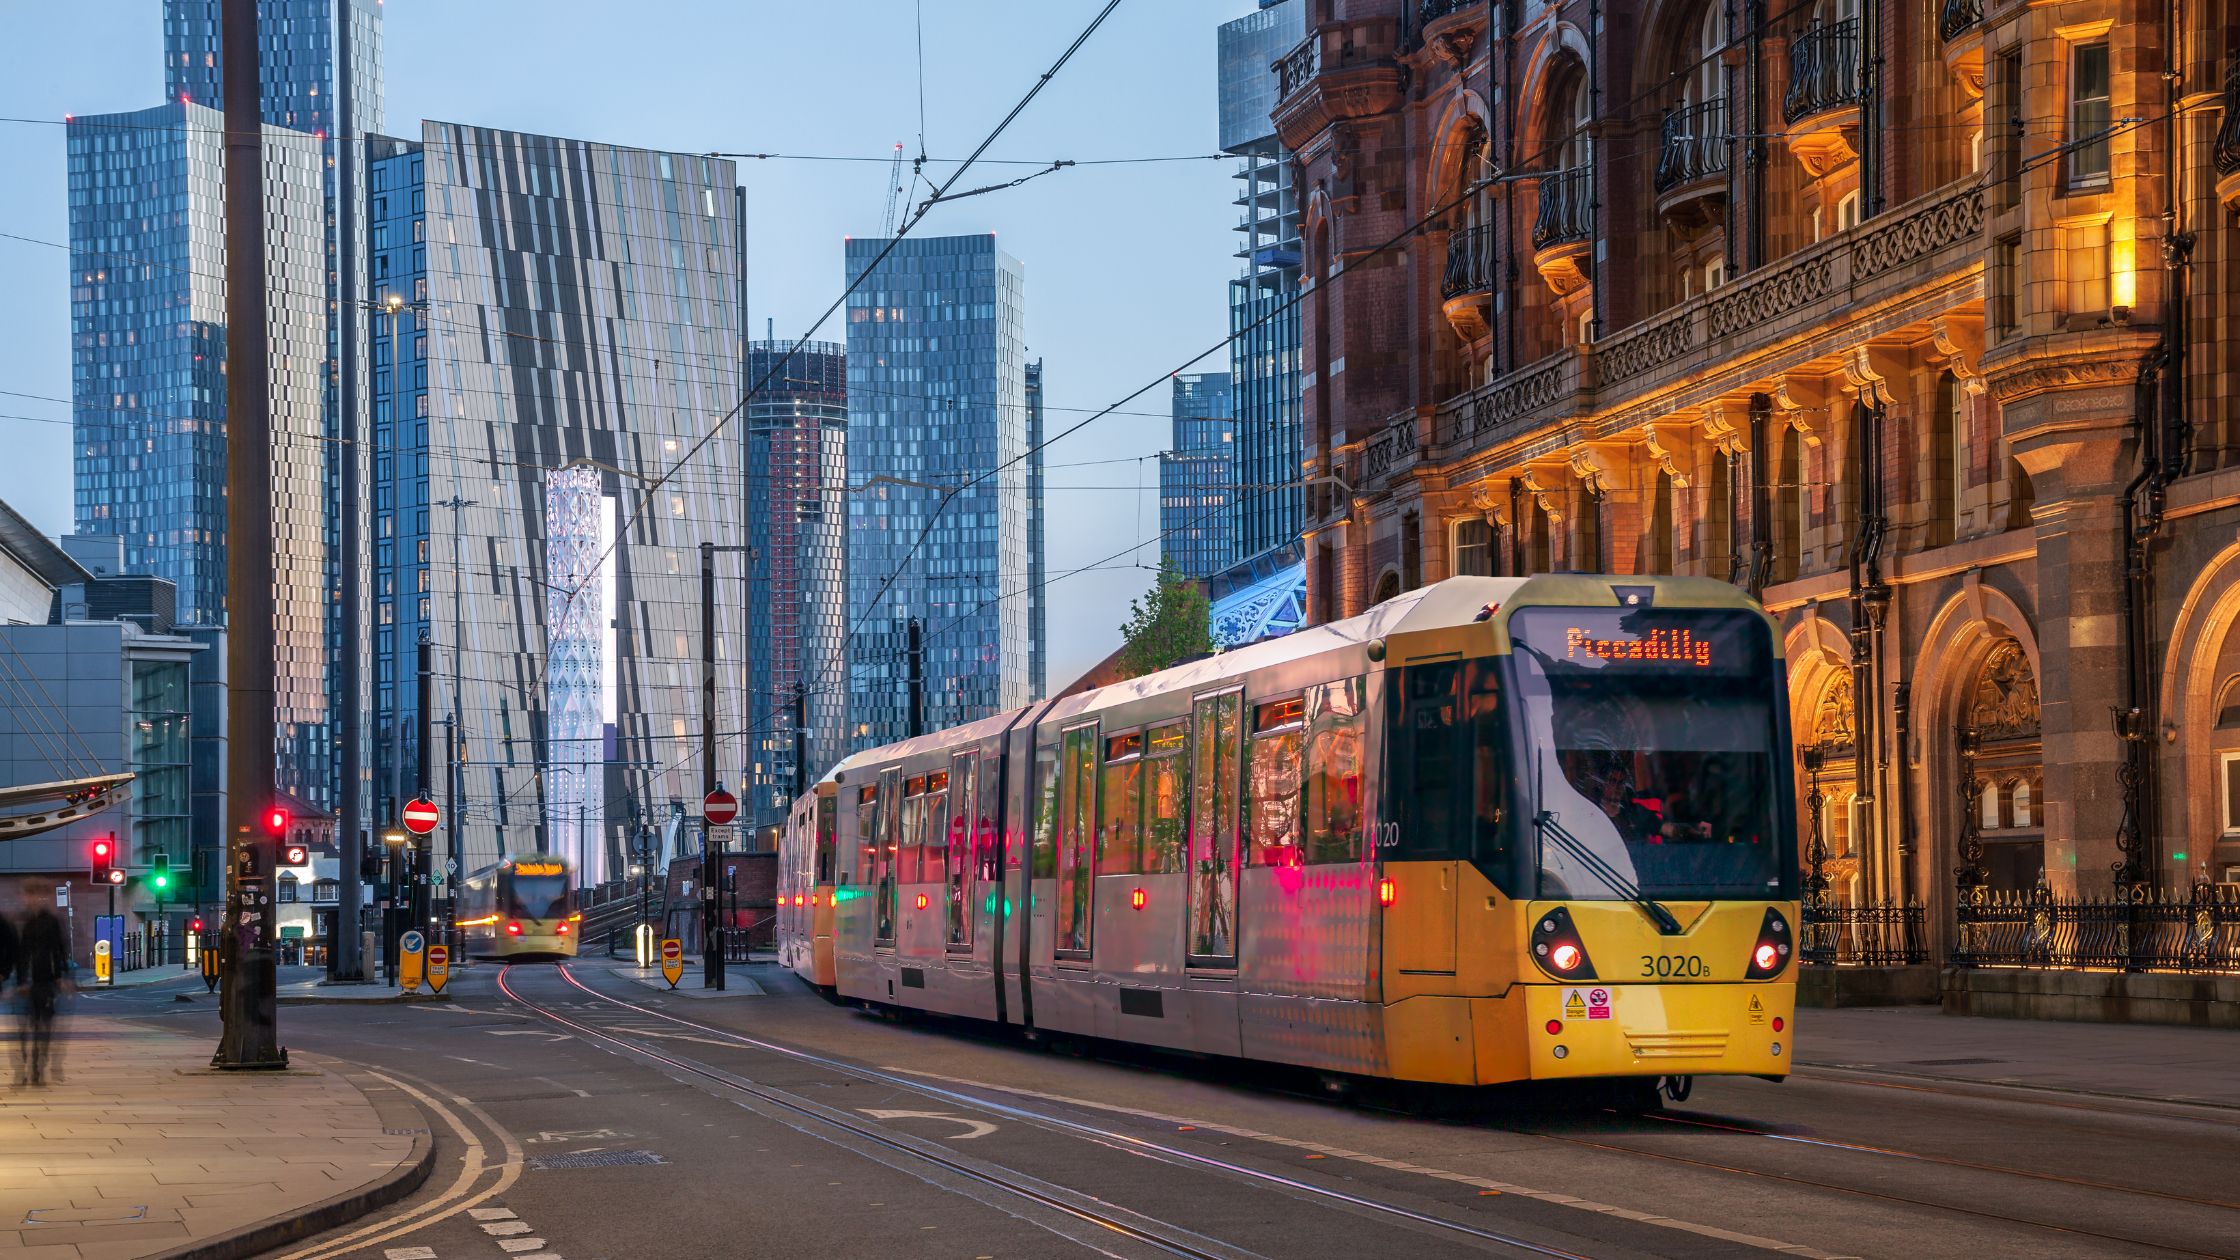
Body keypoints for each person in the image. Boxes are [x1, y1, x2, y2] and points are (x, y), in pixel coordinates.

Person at [17, 881, 71, 1086]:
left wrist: (60, 975)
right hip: (28, 982)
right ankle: (28, 1064)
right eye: (30, 895)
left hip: (46, 981)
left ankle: (38, 1065)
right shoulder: (25, 921)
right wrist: (20, 979)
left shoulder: (51, 922)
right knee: (28, 1026)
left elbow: (58, 949)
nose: (34, 899)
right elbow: (20, 953)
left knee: (44, 1025)